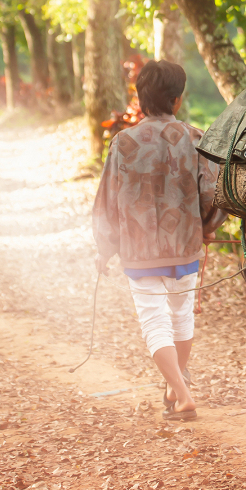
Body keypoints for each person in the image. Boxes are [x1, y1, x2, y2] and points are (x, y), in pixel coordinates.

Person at [92, 60, 226, 421]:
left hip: (139, 251)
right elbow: (213, 194)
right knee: (181, 316)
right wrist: (208, 228)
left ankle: (181, 394)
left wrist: (105, 248)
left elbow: (107, 197)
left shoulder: (123, 142)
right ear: (177, 100)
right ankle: (174, 387)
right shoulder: (196, 139)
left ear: (141, 97)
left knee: (154, 321)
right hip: (184, 246)